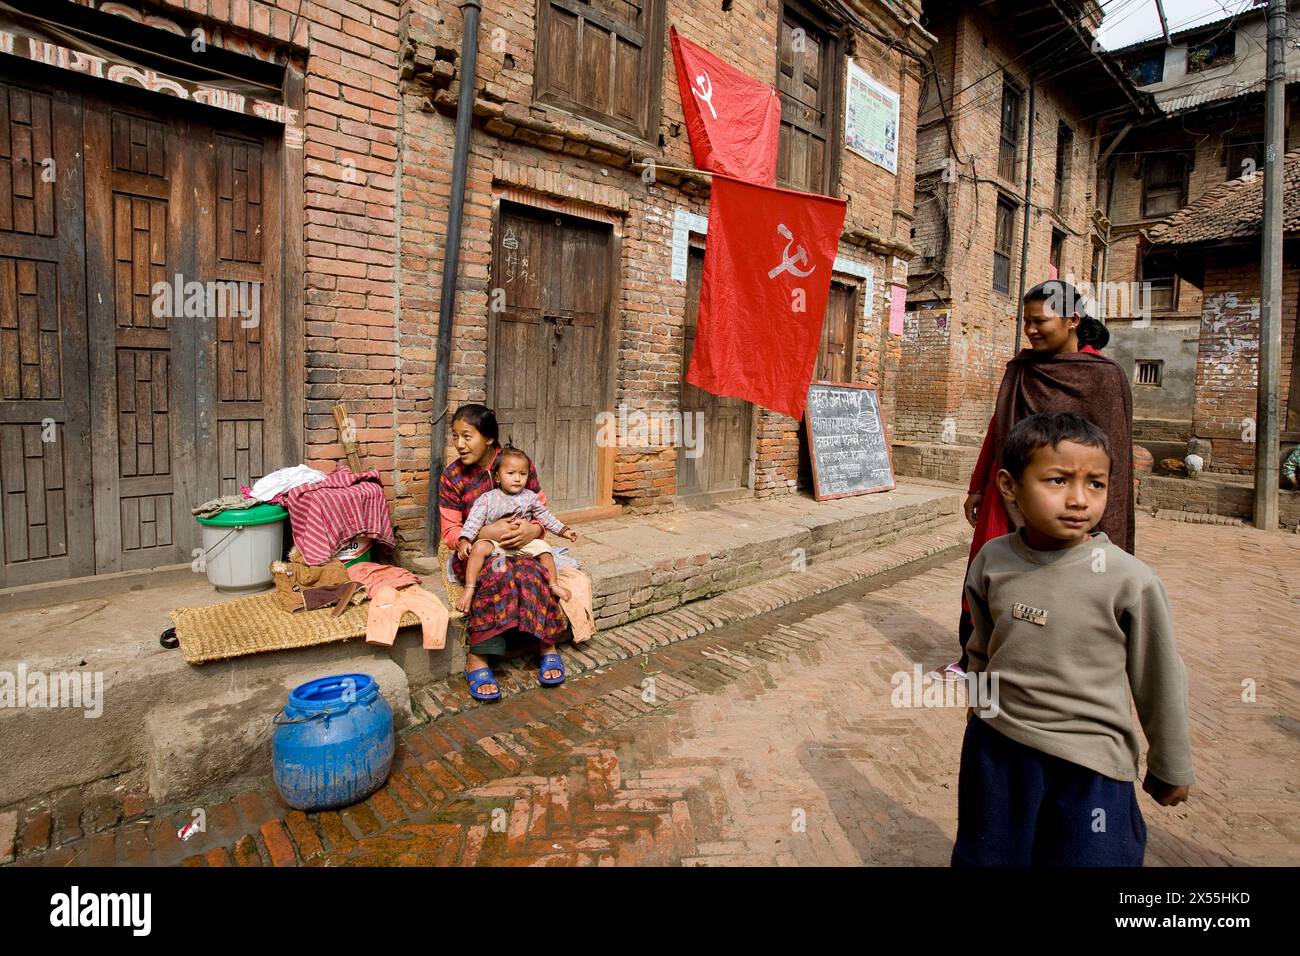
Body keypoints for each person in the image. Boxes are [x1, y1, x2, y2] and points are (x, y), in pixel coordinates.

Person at [953, 412, 1194, 867]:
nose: (1079, 500)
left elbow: (1159, 678)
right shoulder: (993, 559)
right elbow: (981, 645)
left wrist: (1172, 762)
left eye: (1095, 484)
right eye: (1058, 480)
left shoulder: (1129, 580)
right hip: (999, 751)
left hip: (1090, 764)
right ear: (1009, 486)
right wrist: (979, 703)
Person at [935, 280, 1134, 682]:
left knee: (1052, 580)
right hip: (1004, 493)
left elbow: (1114, 458)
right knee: (986, 572)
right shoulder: (1020, 369)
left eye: (1040, 321)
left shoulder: (1103, 378)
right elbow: (998, 429)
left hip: (1063, 498)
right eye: (1026, 322)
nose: (1031, 330)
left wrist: (1100, 518)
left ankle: (1039, 662)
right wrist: (978, 485)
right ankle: (973, 659)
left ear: (1073, 320)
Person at [438, 404, 592, 700]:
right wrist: (485, 533)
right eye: (455, 436)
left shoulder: (518, 464)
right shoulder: (453, 476)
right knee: (500, 572)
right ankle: (480, 656)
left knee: (535, 571)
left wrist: (532, 531)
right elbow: (450, 533)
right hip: (480, 551)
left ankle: (546, 643)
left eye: (467, 436)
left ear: (489, 439)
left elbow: (541, 513)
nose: (459, 444)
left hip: (522, 548)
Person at [455, 444, 579, 613]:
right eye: (511, 473)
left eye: (523, 474)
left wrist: (564, 530)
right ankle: (470, 589)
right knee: (479, 548)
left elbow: (546, 517)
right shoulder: (488, 499)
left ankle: (553, 584)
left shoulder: (530, 498)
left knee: (545, 550)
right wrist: (464, 540)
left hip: (522, 544)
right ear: (498, 477)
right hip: (496, 544)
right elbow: (473, 521)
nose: (517, 479)